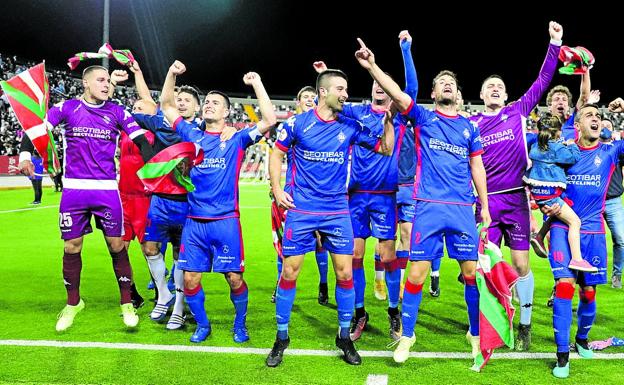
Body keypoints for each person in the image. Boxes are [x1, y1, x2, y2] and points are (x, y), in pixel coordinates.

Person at [354, 36, 490, 364]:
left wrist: (484, 205)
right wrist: (373, 66)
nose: (446, 85)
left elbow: (477, 165)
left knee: (471, 274)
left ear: (458, 94)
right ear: (433, 93)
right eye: (440, 82)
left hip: (461, 208)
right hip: (427, 206)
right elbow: (399, 94)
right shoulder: (425, 119)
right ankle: (407, 336)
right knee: (415, 275)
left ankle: (475, 334)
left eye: (451, 83)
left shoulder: (470, 129)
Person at [266, 68, 394, 367]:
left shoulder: (349, 126)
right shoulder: (298, 123)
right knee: (289, 273)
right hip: (302, 210)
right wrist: (276, 188)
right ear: (323, 92)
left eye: (346, 89)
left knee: (346, 274)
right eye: (340, 88)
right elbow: (276, 154)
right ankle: (281, 337)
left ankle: (344, 336)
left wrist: (388, 122)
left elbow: (385, 148)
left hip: (338, 211)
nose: (345, 94)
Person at [18, 65, 154, 332]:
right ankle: (73, 303)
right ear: (86, 83)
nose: (106, 84)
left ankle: (127, 302)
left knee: (117, 246)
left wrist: (155, 166)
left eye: (107, 80)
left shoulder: (117, 112)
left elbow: (142, 141)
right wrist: (24, 156)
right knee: (72, 247)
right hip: (74, 190)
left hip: (105, 190)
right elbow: (34, 130)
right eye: (100, 80)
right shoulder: (67, 108)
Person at [160, 60, 277, 344]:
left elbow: (270, 120)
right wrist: (172, 75)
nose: (209, 105)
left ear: (227, 111)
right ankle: (203, 325)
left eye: (216, 102)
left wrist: (257, 82)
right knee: (190, 281)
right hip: (195, 222)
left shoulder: (237, 139)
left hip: (226, 222)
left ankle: (240, 324)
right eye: (207, 102)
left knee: (234, 279)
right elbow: (166, 105)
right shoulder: (193, 135)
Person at [468, 21, 563, 350]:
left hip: (516, 201)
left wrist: (554, 43)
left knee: (521, 265)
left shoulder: (518, 111)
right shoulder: (471, 124)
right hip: (487, 204)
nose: (495, 88)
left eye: (499, 86)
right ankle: (494, 324)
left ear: (506, 95)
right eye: (489, 86)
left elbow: (542, 81)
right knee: (489, 267)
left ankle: (524, 324)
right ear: (480, 95)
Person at [544, 103, 623, 378]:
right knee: (564, 287)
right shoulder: (564, 152)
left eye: (598, 116)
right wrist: (547, 204)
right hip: (561, 227)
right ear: (576, 125)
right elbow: (545, 181)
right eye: (589, 115)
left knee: (588, 292)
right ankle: (562, 355)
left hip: (593, 230)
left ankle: (582, 339)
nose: (596, 119)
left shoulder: (610, 151)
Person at [269, 85, 330, 305]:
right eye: (305, 96)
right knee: (285, 245)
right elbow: (276, 156)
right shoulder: (292, 126)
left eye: (313, 96)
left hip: (321, 198)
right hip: (292, 196)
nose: (310, 99)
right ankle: (280, 283)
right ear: (297, 101)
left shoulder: (326, 126)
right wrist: (275, 187)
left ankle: (323, 283)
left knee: (321, 243)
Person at [525, 114, 597, 275]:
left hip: (539, 193)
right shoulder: (556, 148)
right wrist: (571, 144)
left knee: (557, 214)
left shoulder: (536, 146)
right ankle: (577, 259)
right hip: (551, 194)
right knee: (575, 222)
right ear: (558, 132)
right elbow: (574, 157)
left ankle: (539, 236)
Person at [599, 115, 624, 289]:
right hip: (593, 203)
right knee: (589, 239)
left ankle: (617, 274)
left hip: (613, 201)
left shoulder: (617, 149)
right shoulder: (590, 148)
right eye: (602, 124)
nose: (605, 127)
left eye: (608, 125)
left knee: (621, 239)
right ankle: (591, 275)